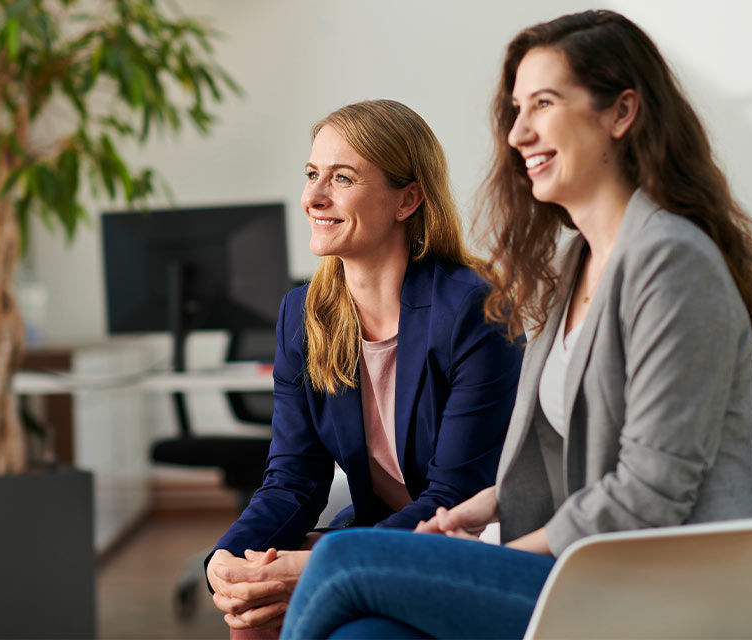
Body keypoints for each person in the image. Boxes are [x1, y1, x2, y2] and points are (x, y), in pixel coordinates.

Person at [279, 10, 752, 640]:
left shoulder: (672, 263)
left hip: (661, 586)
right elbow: (553, 459)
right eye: (516, 109)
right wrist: (474, 515)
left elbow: (650, 494)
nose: (518, 131)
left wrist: (490, 556)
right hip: (590, 567)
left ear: (621, 113)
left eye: (542, 104)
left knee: (341, 560)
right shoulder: (578, 260)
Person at [205, 99, 524, 634]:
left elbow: (453, 497)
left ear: (407, 200)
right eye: (311, 175)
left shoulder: (473, 310)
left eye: (342, 178)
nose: (313, 197)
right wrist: (227, 557)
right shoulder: (301, 315)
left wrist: (322, 562)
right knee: (249, 598)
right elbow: (294, 480)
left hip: (479, 543)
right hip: (384, 533)